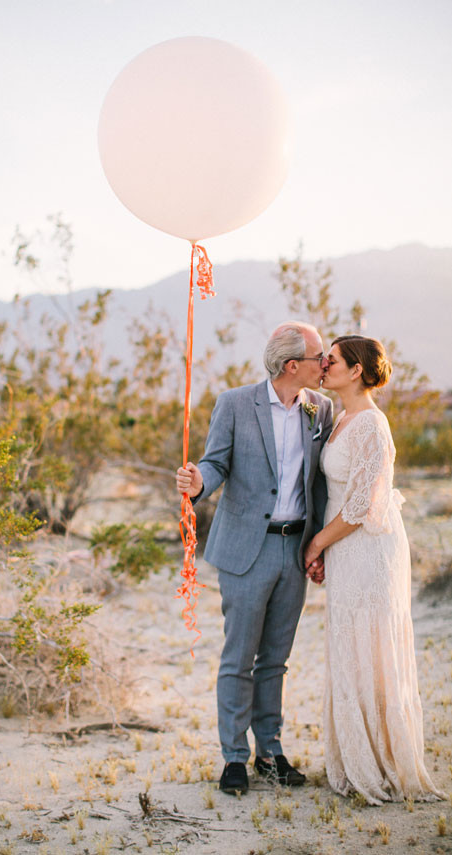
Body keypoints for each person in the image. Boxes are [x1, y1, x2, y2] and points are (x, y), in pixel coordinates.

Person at [176, 321, 333, 795]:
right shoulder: (235, 403)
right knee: (239, 657)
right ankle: (234, 758)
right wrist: (198, 483)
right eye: (319, 357)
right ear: (292, 365)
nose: (325, 363)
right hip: (247, 548)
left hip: (295, 548)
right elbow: (215, 462)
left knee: (275, 660)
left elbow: (319, 483)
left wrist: (320, 544)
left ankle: (270, 751)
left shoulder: (321, 408)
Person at [304, 335, 444, 805]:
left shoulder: (372, 425)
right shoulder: (339, 417)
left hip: (369, 549)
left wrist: (316, 544)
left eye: (332, 360)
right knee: (349, 645)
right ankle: (353, 754)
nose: (324, 365)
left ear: (357, 371)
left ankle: (382, 759)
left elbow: (363, 504)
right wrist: (325, 547)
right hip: (344, 547)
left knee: (372, 647)